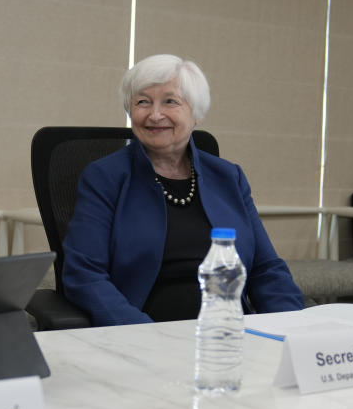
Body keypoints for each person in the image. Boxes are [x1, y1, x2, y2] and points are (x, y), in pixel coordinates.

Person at [62, 54, 304, 326]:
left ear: (196, 113)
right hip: (144, 334)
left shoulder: (228, 176)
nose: (154, 114)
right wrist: (140, 333)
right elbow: (84, 274)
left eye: (170, 101)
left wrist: (293, 326)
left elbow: (265, 269)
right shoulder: (105, 177)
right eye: (143, 102)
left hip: (225, 336)